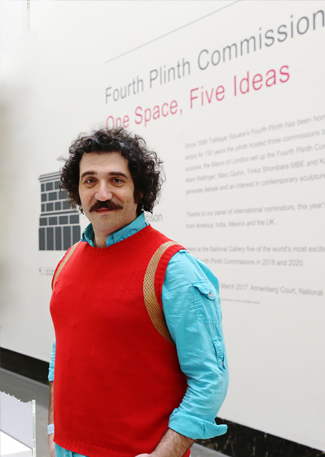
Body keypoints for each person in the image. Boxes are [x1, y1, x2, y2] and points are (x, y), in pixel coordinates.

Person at [48, 127, 229, 457]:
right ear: (77, 191)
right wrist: (52, 430)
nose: (102, 194)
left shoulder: (172, 268)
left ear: (140, 191)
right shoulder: (68, 261)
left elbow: (209, 379)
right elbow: (62, 351)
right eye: (90, 181)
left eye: (116, 180)